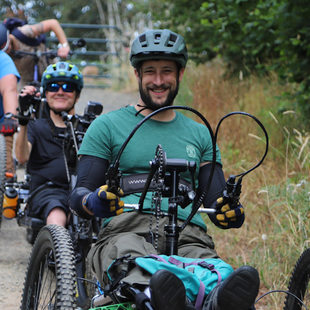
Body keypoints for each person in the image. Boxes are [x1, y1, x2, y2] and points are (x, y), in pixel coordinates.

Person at [70, 29, 260, 310]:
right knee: (135, 264)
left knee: (212, 271)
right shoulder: (107, 127)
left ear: (180, 74)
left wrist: (230, 212)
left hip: (188, 236)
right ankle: (168, 296)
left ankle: (211, 298)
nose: (158, 81)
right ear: (137, 74)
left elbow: (215, 200)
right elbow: (78, 196)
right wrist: (93, 201)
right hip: (125, 231)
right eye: (150, 72)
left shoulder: (200, 133)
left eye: (166, 72)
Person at [15, 61, 83, 226]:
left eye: (68, 87)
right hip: (48, 192)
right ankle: (60, 250)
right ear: (46, 92)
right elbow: (22, 157)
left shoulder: (86, 127)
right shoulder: (36, 127)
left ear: (77, 94)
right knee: (56, 213)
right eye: (53, 87)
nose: (60, 92)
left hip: (84, 191)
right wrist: (24, 120)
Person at [1, 18, 70, 88]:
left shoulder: (24, 32)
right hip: (26, 79)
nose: (7, 49)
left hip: (49, 67)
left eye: (7, 45)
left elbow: (52, 23)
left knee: (62, 88)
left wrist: (64, 46)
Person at [0, 35, 20, 179]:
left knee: (6, 175)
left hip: (1, 125)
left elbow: (9, 89)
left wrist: (10, 116)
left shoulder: (2, 59)